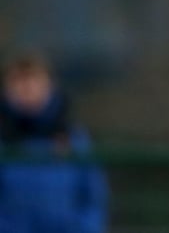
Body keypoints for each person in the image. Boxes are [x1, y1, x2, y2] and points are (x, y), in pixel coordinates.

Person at [0, 51, 108, 233]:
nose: (27, 88)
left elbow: (94, 198)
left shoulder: (74, 138)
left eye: (34, 81)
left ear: (49, 85)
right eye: (18, 82)